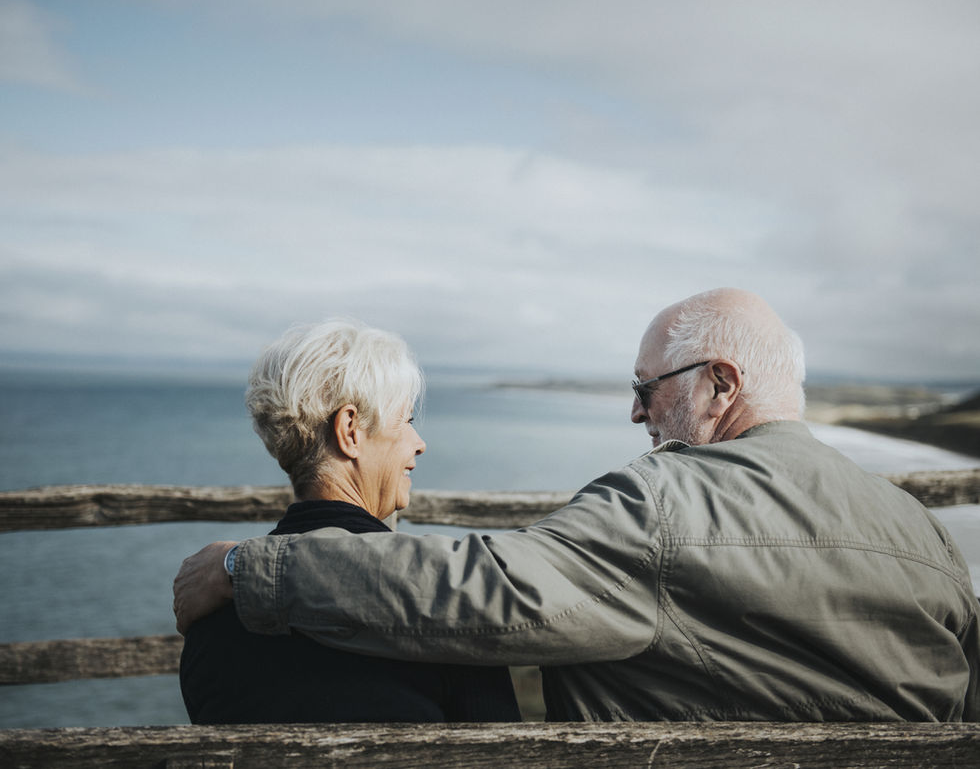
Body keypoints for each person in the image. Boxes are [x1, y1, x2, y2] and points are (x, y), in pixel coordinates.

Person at [175, 288, 980, 721]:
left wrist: (252, 568)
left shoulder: (666, 502)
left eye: (647, 389)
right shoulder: (924, 532)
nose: (635, 414)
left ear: (721, 384)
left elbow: (490, 595)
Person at [178, 320, 520, 724]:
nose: (419, 443)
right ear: (350, 431)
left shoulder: (209, 618)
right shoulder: (446, 607)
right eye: (407, 420)